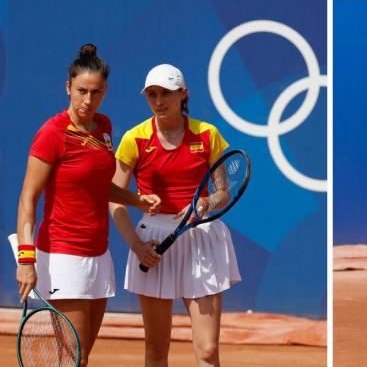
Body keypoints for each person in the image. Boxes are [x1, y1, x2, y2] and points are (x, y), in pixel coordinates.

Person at [14, 43, 160, 366]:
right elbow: (28, 199)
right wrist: (26, 259)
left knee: (81, 357)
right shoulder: (51, 134)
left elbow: (97, 187)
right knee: (74, 359)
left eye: (95, 92)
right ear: (68, 86)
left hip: (99, 255)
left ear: (105, 90)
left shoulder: (104, 128)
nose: (87, 100)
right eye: (81, 91)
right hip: (64, 256)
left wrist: (135, 199)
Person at [110, 64, 241, 366]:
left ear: (183, 94)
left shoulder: (208, 134)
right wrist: (137, 246)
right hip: (153, 242)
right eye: (152, 94)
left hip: (201, 239)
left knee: (208, 350)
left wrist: (204, 205)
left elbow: (223, 192)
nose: (158, 101)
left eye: (166, 93)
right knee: (157, 349)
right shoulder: (135, 138)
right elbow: (114, 198)